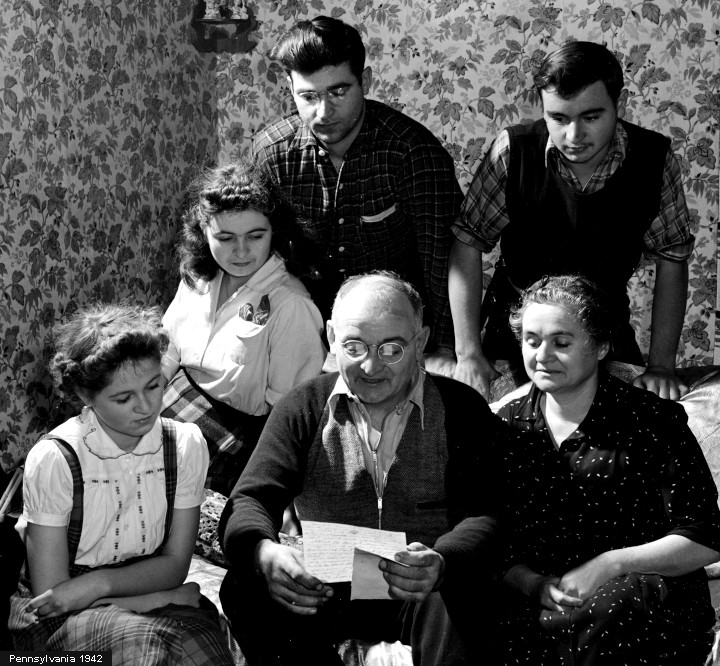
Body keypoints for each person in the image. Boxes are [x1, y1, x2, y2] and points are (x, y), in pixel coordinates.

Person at [218, 271, 504, 665]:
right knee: (244, 585)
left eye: (392, 349)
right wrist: (264, 552)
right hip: (329, 583)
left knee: (469, 590)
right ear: (332, 337)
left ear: (420, 342)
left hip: (421, 585)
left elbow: (487, 511)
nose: (371, 366)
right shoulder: (303, 407)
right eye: (354, 347)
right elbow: (251, 498)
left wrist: (443, 561)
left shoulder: (461, 409)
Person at [450, 40, 694, 401]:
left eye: (591, 117)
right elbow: (467, 242)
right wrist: (468, 353)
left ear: (621, 104)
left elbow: (672, 258)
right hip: (514, 335)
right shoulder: (513, 151)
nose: (574, 136)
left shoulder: (654, 159)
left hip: (604, 334)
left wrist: (661, 366)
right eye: (559, 118)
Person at [495, 275, 720, 665]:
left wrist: (609, 564)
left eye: (561, 343)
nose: (542, 355)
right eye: (532, 341)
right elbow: (492, 539)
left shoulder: (653, 421)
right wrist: (531, 583)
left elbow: (705, 537)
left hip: (639, 596)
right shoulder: (505, 427)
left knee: (609, 607)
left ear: (600, 346)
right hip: (544, 597)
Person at [8, 304, 233, 664]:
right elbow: (55, 598)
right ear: (86, 397)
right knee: (149, 646)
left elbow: (175, 565)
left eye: (154, 385)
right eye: (123, 398)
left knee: (198, 646)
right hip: (57, 624)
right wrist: (162, 598)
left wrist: (99, 585)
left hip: (144, 599)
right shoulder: (56, 459)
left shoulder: (184, 445)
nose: (145, 407)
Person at [253, 16, 463, 369]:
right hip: (305, 329)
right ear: (289, 87)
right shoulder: (271, 154)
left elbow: (441, 259)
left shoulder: (413, 152)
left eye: (338, 92)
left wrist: (446, 349)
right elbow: (258, 253)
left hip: (394, 333)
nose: (323, 112)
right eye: (308, 96)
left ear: (365, 81)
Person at [161, 163, 326, 496]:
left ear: (274, 231)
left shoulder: (291, 305)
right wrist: (143, 400)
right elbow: (169, 348)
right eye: (225, 238)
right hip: (175, 396)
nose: (240, 251)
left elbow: (288, 413)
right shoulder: (199, 275)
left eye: (255, 236)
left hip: (235, 431)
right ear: (203, 231)